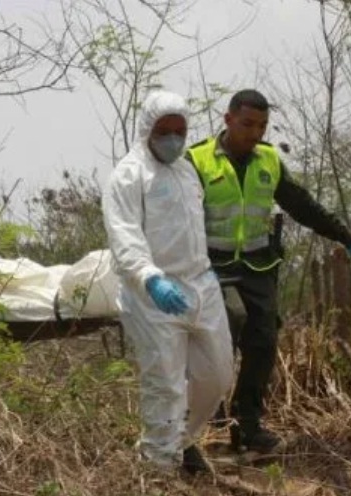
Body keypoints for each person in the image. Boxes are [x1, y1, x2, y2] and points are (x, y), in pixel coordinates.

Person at [186, 89, 351, 454]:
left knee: (264, 341)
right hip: (211, 267)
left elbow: (302, 205)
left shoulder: (269, 160)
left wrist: (347, 238)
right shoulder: (197, 160)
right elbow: (177, 218)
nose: (255, 133)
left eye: (262, 126)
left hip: (258, 265)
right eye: (247, 124)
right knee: (226, 328)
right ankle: (198, 419)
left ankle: (247, 425)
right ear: (228, 119)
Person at [102, 90, 234, 474]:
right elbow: (124, 236)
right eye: (165, 130)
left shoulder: (186, 170)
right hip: (152, 294)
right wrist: (150, 279)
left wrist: (204, 273)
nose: (174, 139)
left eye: (181, 130)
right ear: (148, 129)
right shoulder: (128, 175)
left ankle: (182, 440)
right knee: (166, 383)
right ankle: (158, 467)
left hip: (200, 285)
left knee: (218, 375)